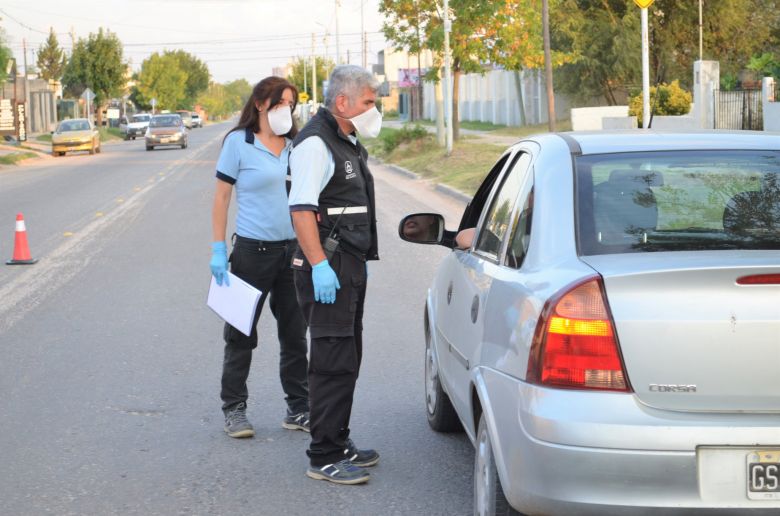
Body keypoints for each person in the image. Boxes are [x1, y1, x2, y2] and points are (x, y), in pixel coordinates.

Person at [288, 65, 382, 485]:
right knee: (330, 362)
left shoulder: (345, 138)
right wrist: (320, 266)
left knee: (347, 359)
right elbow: (302, 210)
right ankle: (322, 456)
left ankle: (338, 440)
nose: (373, 109)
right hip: (328, 267)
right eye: (368, 102)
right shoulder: (314, 145)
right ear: (343, 102)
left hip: (348, 265)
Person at [210, 76, 309, 439]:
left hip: (293, 252)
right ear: (260, 104)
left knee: (296, 335)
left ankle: (298, 408)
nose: (287, 110)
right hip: (252, 253)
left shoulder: (296, 145)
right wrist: (219, 249)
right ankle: (234, 409)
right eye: (281, 103)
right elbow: (221, 198)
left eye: (291, 105)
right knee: (241, 334)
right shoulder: (238, 143)